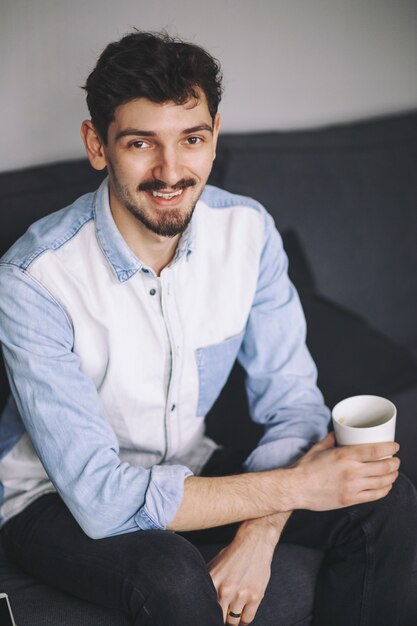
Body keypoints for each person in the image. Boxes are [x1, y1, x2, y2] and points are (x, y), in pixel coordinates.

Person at [0, 30, 416, 626]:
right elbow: (100, 499)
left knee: (386, 501)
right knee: (170, 573)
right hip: (52, 500)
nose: (171, 171)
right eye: (142, 143)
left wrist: (259, 535)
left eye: (191, 140)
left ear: (214, 136)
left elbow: (294, 407)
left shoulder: (248, 233)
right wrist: (294, 490)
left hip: (187, 465)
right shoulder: (32, 278)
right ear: (97, 145)